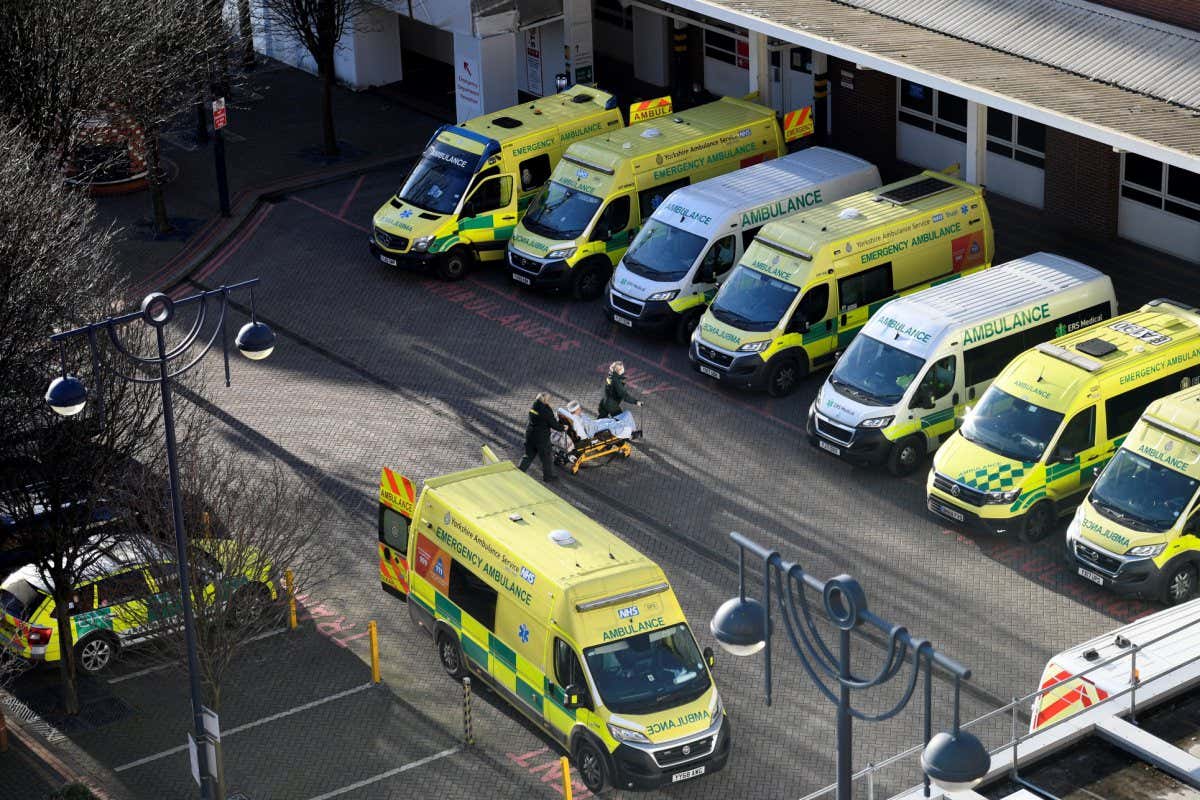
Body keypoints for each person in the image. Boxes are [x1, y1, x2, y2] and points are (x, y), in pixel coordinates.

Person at [519, 391, 565, 482]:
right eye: (549, 399)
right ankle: (548, 477)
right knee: (546, 458)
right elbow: (554, 424)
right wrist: (563, 428)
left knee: (528, 456)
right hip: (541, 439)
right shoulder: (545, 411)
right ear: (545, 400)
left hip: (530, 435)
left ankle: (519, 472)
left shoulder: (534, 406)